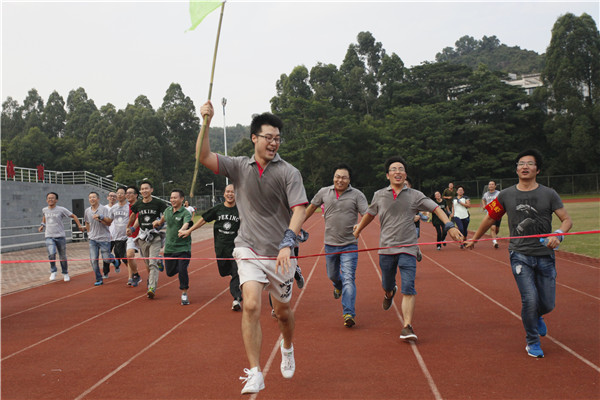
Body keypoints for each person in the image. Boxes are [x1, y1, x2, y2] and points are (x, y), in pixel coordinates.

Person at [197, 101, 307, 395]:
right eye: (268, 137)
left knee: (282, 312)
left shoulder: (289, 172)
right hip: (248, 248)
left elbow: (299, 209)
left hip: (280, 253)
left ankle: (287, 346)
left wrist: (288, 242)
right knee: (251, 305)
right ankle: (256, 371)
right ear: (254, 138)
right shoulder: (238, 167)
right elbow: (204, 156)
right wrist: (206, 122)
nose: (274, 143)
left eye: (278, 138)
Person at [466, 149, 572, 358]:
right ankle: (532, 341)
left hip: (545, 255)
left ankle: (537, 316)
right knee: (529, 300)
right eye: (521, 163)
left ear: (537, 169)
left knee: (547, 303)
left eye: (530, 163)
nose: (525, 167)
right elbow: (490, 218)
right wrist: (475, 238)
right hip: (520, 254)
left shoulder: (549, 194)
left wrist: (558, 234)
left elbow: (566, 220)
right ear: (516, 169)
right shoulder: (506, 195)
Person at [353, 156, 463, 342]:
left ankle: (407, 326)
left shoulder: (415, 195)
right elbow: (370, 214)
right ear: (387, 175)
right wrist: (358, 230)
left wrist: (449, 226)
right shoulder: (379, 195)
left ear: (405, 174)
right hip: (386, 248)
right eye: (394, 169)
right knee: (387, 284)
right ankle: (389, 292)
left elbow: (436, 208)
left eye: (401, 169)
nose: (398, 172)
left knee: (409, 286)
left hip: (408, 248)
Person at [304, 163, 368, 328]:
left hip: (349, 244)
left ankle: (349, 313)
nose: (340, 180)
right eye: (337, 177)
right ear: (333, 177)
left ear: (349, 179)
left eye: (344, 177)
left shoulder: (357, 195)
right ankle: (337, 285)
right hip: (330, 244)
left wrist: (360, 226)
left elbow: (367, 214)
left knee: (349, 278)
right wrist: (297, 225)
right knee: (333, 275)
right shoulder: (324, 192)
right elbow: (311, 208)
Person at [179, 184, 243, 311]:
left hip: (236, 248)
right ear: (224, 194)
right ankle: (233, 277)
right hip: (221, 248)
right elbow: (203, 220)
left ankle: (237, 298)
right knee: (223, 272)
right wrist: (189, 231)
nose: (230, 194)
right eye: (228, 192)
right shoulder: (218, 209)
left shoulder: (241, 210)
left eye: (232, 192)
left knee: (236, 272)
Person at [128, 181, 167, 299]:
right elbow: (135, 216)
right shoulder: (138, 204)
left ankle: (151, 287)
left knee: (152, 263)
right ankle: (159, 259)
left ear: (151, 190)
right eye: (142, 189)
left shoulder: (158, 203)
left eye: (146, 188)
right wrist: (131, 227)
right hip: (143, 237)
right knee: (147, 263)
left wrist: (159, 222)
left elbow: (166, 213)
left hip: (155, 236)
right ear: (140, 191)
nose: (144, 191)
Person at [153, 189, 193, 305]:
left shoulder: (185, 213)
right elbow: (162, 220)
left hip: (183, 248)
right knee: (170, 273)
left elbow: (187, 223)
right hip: (169, 247)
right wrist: (157, 223)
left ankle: (184, 293)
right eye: (171, 198)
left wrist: (183, 229)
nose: (172, 200)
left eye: (175, 197)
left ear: (182, 199)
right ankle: (161, 260)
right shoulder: (167, 211)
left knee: (182, 270)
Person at [39, 192, 85, 282]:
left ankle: (65, 273)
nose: (50, 199)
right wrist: (42, 225)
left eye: (52, 198)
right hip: (49, 236)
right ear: (46, 200)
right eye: (49, 198)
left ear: (56, 200)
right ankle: (53, 271)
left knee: (62, 256)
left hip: (60, 236)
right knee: (51, 253)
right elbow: (44, 217)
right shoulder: (44, 210)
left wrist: (79, 225)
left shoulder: (61, 209)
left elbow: (73, 216)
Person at [84, 192, 114, 286]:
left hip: (104, 238)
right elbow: (87, 222)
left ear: (98, 199)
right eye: (90, 197)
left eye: (94, 197)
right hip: (92, 239)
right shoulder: (87, 211)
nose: (92, 199)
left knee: (106, 259)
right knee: (93, 260)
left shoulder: (104, 209)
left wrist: (100, 219)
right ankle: (99, 278)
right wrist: (89, 233)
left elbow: (109, 223)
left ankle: (113, 260)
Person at [109, 187, 130, 280]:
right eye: (118, 193)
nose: (119, 195)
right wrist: (101, 219)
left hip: (128, 237)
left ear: (126, 195)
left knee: (127, 257)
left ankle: (133, 276)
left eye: (122, 193)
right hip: (117, 237)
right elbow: (109, 221)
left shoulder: (130, 207)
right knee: (122, 257)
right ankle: (134, 273)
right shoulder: (113, 208)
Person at [125, 186, 142, 287]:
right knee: (129, 255)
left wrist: (131, 228)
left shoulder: (141, 205)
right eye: (127, 193)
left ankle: (157, 259)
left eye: (130, 193)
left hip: (143, 234)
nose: (128, 195)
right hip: (132, 235)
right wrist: (128, 228)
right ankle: (135, 275)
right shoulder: (126, 206)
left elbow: (137, 218)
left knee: (148, 260)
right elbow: (130, 218)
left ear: (136, 195)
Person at [105, 191, 121, 276]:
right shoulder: (104, 208)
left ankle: (117, 264)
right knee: (106, 254)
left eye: (114, 196)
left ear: (117, 198)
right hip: (107, 236)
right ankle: (106, 272)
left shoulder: (119, 207)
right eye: (110, 196)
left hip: (118, 235)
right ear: (107, 197)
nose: (112, 198)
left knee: (118, 253)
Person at [481, 180, 501, 248]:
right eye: (490, 184)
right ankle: (495, 242)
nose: (491, 186)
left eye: (492, 184)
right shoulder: (486, 194)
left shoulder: (498, 193)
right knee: (493, 228)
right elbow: (483, 199)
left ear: (495, 186)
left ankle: (494, 237)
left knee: (497, 229)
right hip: (490, 213)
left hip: (498, 212)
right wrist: (484, 205)